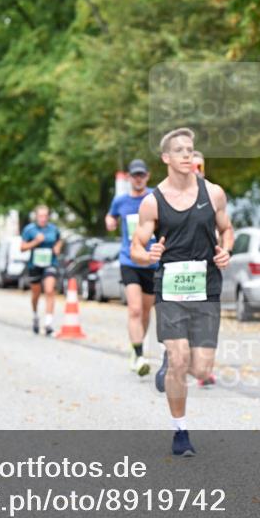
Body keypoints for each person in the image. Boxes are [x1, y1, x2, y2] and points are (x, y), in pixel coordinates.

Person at [131, 128, 234, 456]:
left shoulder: (214, 193)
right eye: (180, 150)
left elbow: (227, 229)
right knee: (179, 360)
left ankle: (172, 361)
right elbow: (136, 247)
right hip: (171, 287)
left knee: (201, 368)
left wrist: (226, 250)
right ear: (166, 158)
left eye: (191, 149)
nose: (188, 155)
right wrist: (147, 256)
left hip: (206, 286)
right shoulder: (152, 202)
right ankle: (180, 431)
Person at [105, 159, 158, 376]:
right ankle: (139, 354)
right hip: (129, 260)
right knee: (134, 309)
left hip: (153, 260)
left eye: (141, 175)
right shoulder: (121, 201)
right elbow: (111, 215)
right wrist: (110, 221)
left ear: (147, 176)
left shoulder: (156, 196)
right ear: (129, 177)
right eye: (134, 175)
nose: (138, 179)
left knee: (146, 312)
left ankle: (137, 345)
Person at [21, 205, 63, 336]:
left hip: (50, 263)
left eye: (45, 216)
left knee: (50, 290)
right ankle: (35, 315)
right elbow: (22, 248)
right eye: (40, 216)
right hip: (35, 265)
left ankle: (48, 324)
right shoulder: (29, 229)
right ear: (36, 217)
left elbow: (59, 240)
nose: (43, 219)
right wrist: (35, 242)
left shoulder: (53, 229)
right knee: (36, 294)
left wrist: (57, 247)